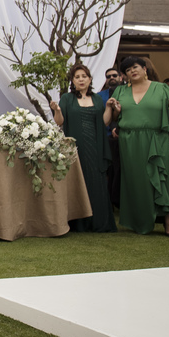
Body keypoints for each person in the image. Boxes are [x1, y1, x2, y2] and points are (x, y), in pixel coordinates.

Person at [104, 56, 169, 237]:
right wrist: (116, 111)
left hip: (156, 138)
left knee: (160, 177)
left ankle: (168, 221)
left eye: (135, 67)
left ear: (145, 69)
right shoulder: (120, 91)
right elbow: (114, 118)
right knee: (136, 180)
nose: (132, 71)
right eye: (128, 70)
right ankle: (141, 221)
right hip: (129, 140)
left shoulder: (161, 88)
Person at [50, 64, 115, 232]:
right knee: (78, 181)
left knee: (96, 181)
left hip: (96, 146)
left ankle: (98, 222)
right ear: (72, 81)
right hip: (75, 146)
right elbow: (59, 122)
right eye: (77, 77)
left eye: (84, 76)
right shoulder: (67, 98)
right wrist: (57, 110)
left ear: (90, 79)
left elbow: (104, 122)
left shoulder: (97, 99)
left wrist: (109, 107)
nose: (81, 80)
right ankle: (78, 223)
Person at [97, 67, 123, 206]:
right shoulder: (99, 96)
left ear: (121, 77)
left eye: (114, 75)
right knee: (111, 169)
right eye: (108, 76)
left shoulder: (128, 92)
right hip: (107, 138)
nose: (111, 78)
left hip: (126, 135)